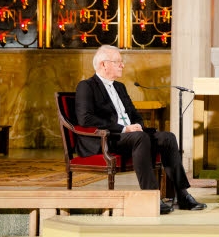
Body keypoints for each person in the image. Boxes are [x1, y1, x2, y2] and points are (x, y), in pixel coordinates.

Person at [75, 45, 206, 215]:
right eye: (118, 62)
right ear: (103, 64)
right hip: (108, 137)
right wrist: (124, 128)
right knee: (140, 138)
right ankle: (150, 196)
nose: (122, 65)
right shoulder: (86, 86)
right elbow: (85, 118)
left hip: (131, 134)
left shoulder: (120, 87)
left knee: (168, 137)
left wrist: (137, 125)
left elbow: (134, 113)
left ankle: (182, 194)